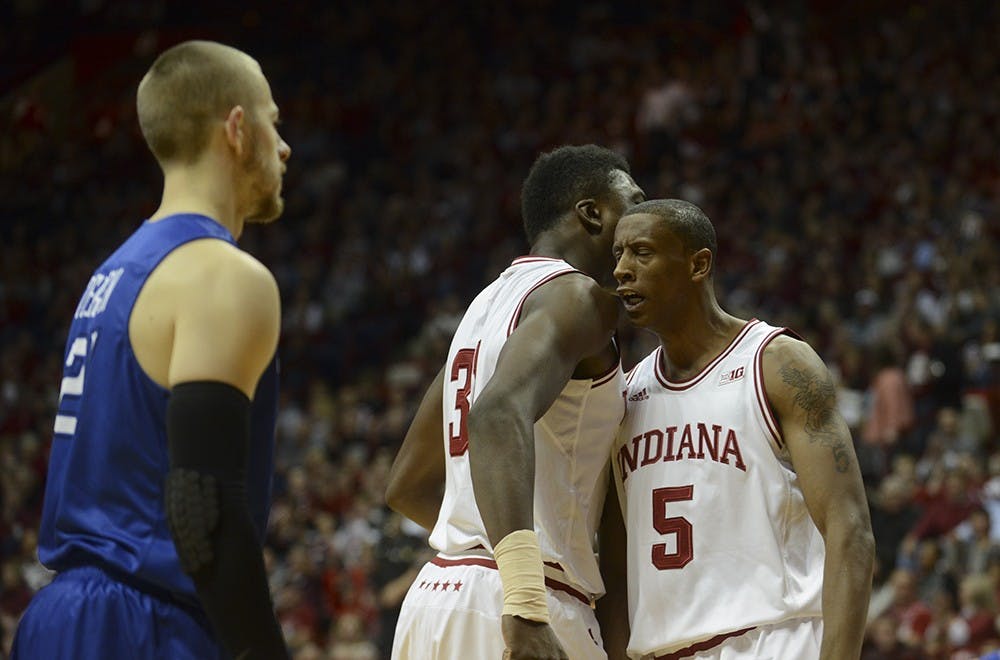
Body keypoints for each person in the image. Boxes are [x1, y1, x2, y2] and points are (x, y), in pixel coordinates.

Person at [12, 40, 292, 659]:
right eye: (274, 121)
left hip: (56, 620)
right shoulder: (222, 273)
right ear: (237, 129)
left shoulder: (112, 274)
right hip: (144, 623)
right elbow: (202, 505)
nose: (285, 146)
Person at [385, 144, 645, 659]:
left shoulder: (484, 307)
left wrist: (484, 539)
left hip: (438, 596)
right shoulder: (580, 298)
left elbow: (406, 486)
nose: (644, 217)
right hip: (525, 603)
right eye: (633, 202)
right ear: (592, 213)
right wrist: (524, 593)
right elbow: (497, 415)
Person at [600, 199, 875, 659]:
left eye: (642, 253)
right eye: (618, 255)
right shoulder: (625, 397)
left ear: (698, 264)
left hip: (773, 641)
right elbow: (615, 563)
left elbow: (850, 530)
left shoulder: (776, 363)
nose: (623, 270)